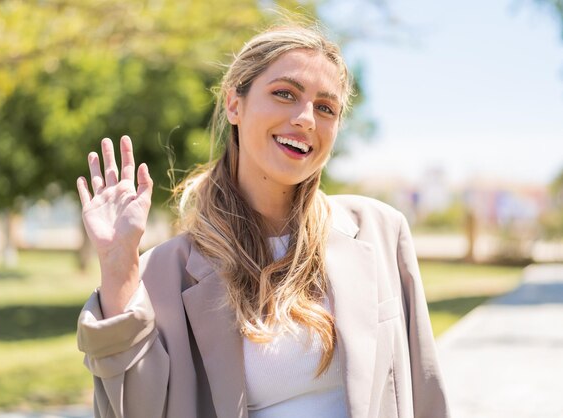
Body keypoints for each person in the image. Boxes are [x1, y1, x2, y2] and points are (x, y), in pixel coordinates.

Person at [76, 23, 450, 418]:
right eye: (284, 94)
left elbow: (425, 390)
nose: (306, 119)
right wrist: (118, 264)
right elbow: (134, 410)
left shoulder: (381, 231)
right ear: (234, 104)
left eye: (326, 107)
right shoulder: (164, 273)